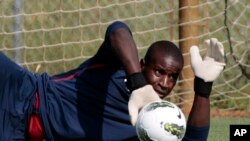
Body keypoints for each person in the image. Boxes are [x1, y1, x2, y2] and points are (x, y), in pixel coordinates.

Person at [0, 21, 225, 141]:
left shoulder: (151, 122)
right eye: (159, 71)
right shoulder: (113, 68)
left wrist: (203, 88)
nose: (165, 83)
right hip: (21, 91)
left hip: (19, 133)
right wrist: (139, 85)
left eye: (172, 77)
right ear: (142, 64)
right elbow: (117, 29)